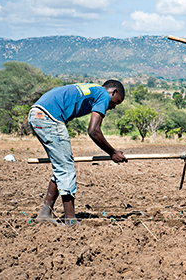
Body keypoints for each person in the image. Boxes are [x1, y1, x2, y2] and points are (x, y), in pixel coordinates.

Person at [29, 80, 127, 226]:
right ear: (113, 92)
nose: (112, 107)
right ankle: (70, 220)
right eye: (115, 102)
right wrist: (112, 152)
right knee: (66, 169)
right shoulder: (103, 95)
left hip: (38, 113)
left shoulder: (92, 88)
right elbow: (94, 131)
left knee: (61, 166)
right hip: (49, 117)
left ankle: (45, 213)